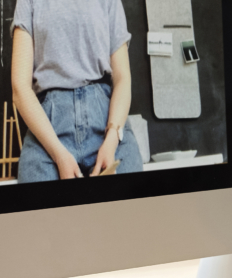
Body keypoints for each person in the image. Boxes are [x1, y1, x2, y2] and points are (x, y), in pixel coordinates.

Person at [11, 0, 143, 182]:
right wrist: (58, 154)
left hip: (106, 121)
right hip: (48, 129)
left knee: (131, 206)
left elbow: (122, 79)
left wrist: (112, 138)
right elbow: (20, 87)